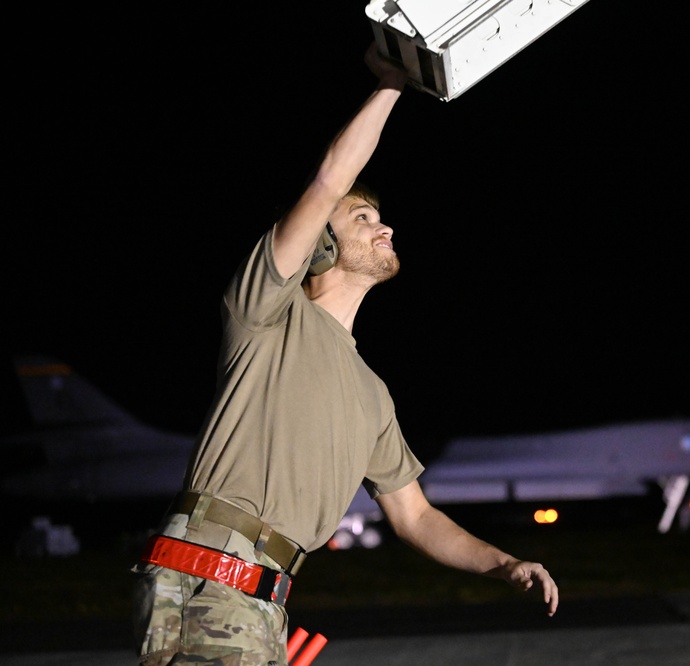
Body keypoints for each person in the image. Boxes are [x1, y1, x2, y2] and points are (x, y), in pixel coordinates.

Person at [131, 42, 558, 665]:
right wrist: (392, 84)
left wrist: (506, 564)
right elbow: (330, 178)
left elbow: (415, 517)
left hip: (260, 597)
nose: (385, 228)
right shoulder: (264, 315)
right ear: (322, 246)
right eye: (363, 218)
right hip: (211, 577)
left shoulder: (371, 393)